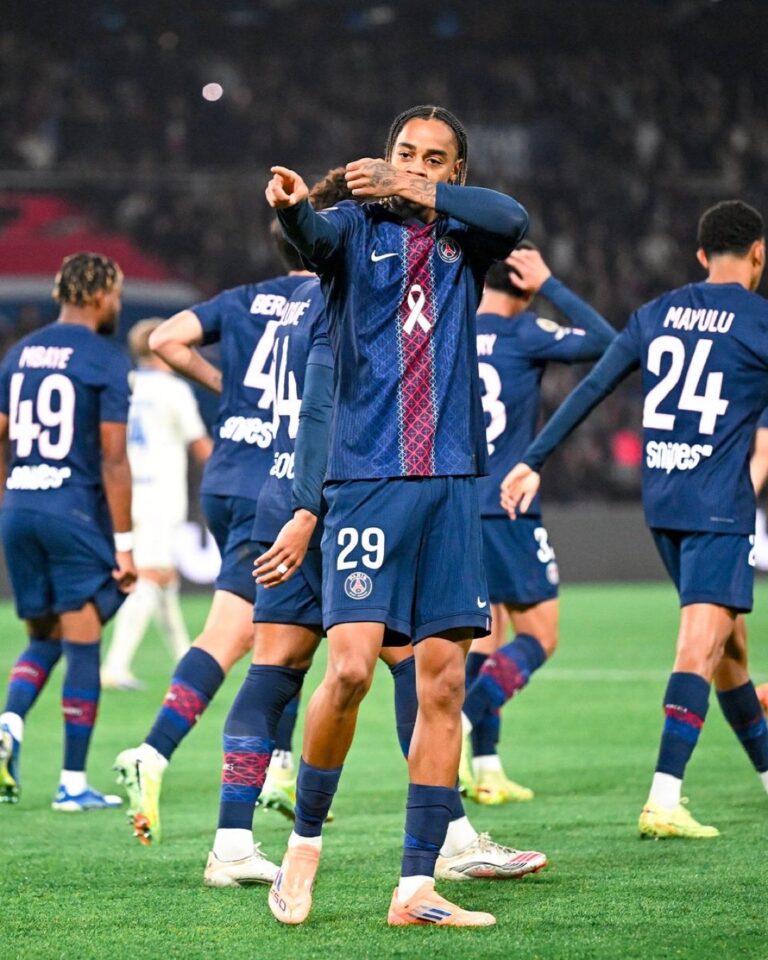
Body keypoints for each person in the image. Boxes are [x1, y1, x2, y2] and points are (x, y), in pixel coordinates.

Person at [207, 175, 546, 888]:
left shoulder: (273, 299)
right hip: (331, 495)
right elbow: (326, 408)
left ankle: (235, 841)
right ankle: (435, 837)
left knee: (292, 664)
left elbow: (180, 340)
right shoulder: (354, 287)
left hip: (301, 488)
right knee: (367, 667)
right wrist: (309, 510)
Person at [265, 104, 529, 928]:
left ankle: (415, 886)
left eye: (435, 157)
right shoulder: (351, 228)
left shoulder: (466, 235)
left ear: (454, 170)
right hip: (368, 479)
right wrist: (290, 210)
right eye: (405, 152)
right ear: (381, 160)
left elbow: (513, 219)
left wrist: (425, 193)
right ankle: (303, 845)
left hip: (452, 482)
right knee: (346, 669)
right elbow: (307, 239)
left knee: (443, 679)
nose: (417, 164)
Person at [503, 200, 768, 838]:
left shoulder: (655, 314)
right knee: (700, 644)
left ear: (702, 256)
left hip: (664, 501)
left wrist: (534, 458)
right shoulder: (761, 321)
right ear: (759, 255)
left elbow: (593, 386)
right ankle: (664, 798)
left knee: (729, 648)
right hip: (716, 503)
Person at [113, 231, 312, 844]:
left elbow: (166, 339)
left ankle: (278, 770)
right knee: (249, 633)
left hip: (226, 476)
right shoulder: (332, 299)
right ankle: (158, 753)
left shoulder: (246, 298)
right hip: (277, 481)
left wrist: (227, 388)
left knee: (282, 627)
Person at [461, 242, 615, 804]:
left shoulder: (449, 333)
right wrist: (550, 284)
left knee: (485, 636)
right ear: (522, 284)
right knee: (540, 636)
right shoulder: (524, 333)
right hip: (508, 505)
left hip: (455, 507)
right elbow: (608, 343)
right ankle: (461, 726)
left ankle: (486, 769)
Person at [0, 252, 136, 810]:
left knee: (44, 636)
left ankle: (8, 722)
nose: (120, 305)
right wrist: (125, 545)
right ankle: (72, 783)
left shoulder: (18, 354)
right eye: (118, 294)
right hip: (72, 510)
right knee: (83, 644)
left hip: (20, 507)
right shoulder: (104, 356)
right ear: (101, 295)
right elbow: (113, 458)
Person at [101, 319, 212, 691]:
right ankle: (115, 665)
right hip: (161, 494)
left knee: (163, 578)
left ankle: (185, 656)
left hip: (125, 491)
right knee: (150, 576)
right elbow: (201, 447)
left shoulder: (123, 385)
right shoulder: (173, 390)